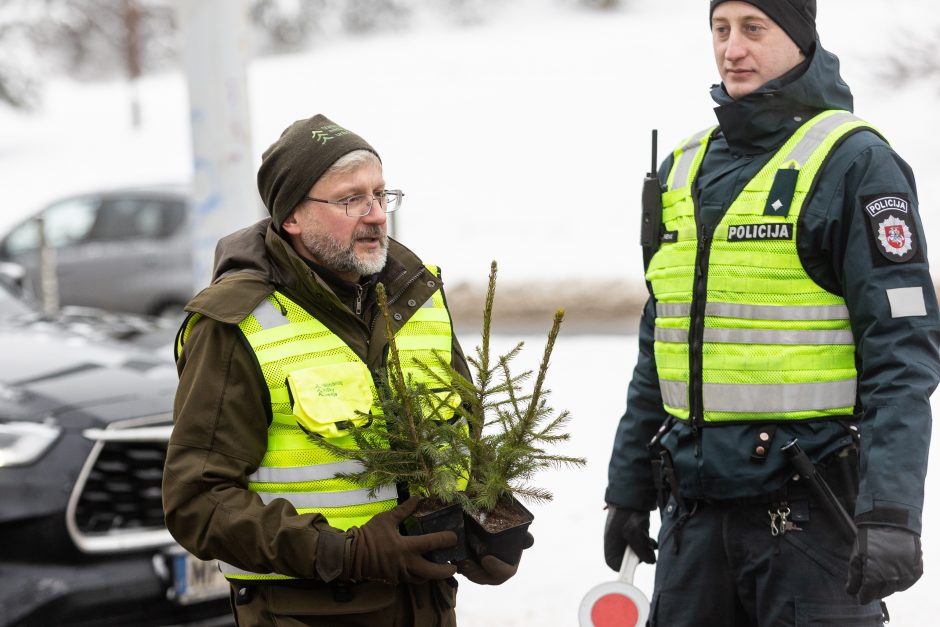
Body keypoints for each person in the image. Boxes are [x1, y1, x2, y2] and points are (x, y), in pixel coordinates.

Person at [604, 2, 939, 625]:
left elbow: (903, 354)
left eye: (754, 29)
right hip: (693, 522)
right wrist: (627, 487)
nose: (733, 50)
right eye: (721, 29)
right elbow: (664, 339)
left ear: (801, 37)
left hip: (809, 518)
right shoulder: (682, 167)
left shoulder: (856, 163)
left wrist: (891, 512)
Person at [163, 114, 520, 627]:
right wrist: (343, 552)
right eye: (351, 199)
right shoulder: (236, 323)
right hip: (306, 614)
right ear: (292, 217)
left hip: (427, 608)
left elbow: (461, 435)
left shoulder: (414, 297)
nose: (375, 215)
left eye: (380, 194)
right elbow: (197, 504)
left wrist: (488, 518)